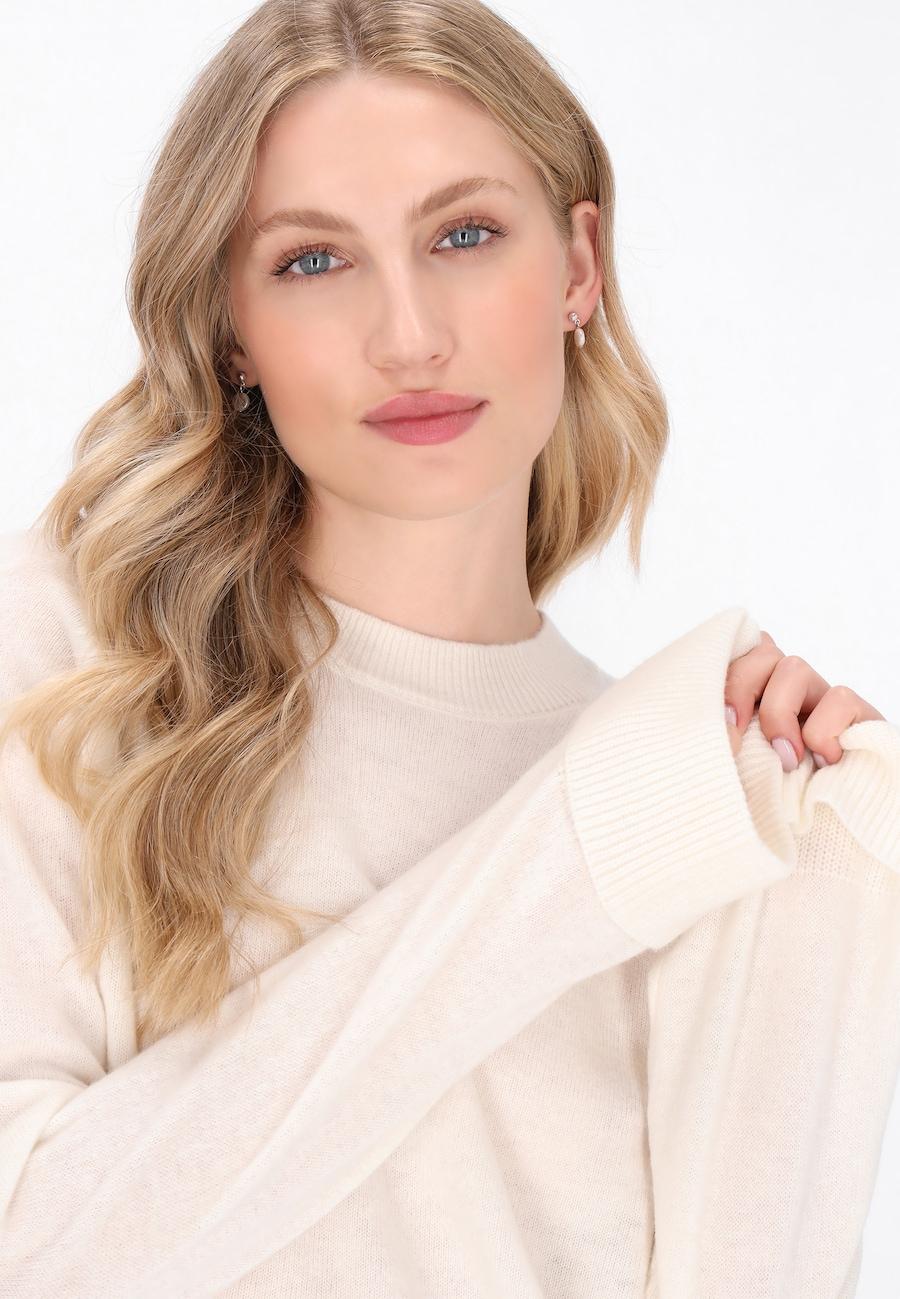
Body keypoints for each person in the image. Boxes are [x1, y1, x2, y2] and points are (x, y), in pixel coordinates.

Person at [1, 1, 898, 1295]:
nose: (409, 334)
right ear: (231, 328)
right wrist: (583, 843)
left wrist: (818, 873)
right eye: (315, 260)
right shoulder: (71, 664)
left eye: (464, 235)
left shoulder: (703, 802)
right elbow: (29, 1249)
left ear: (579, 264)